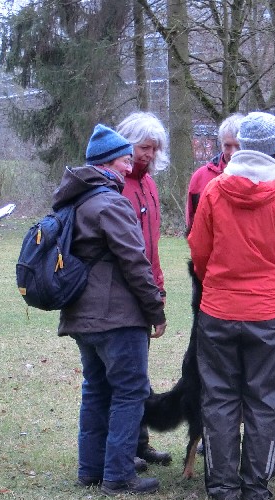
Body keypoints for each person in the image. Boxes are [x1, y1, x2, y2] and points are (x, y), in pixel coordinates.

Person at [187, 112, 275, 500]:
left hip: (218, 309)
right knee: (264, 399)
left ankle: (222, 487)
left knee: (219, 398)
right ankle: (256, 488)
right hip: (267, 312)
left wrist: (219, 278)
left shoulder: (214, 191)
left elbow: (199, 251)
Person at [57, 124, 167, 495]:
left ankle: (90, 469)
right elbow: (135, 262)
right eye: (124, 160)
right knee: (129, 391)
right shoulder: (112, 203)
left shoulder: (75, 200)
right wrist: (155, 310)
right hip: (116, 316)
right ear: (105, 163)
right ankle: (118, 475)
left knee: (96, 390)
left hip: (81, 315)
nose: (129, 166)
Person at [115, 112, 173, 469]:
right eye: (144, 148)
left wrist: (159, 290)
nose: (149, 155)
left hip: (146, 289)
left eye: (154, 149)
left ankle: (139, 442)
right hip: (124, 293)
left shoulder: (149, 184)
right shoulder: (116, 184)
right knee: (127, 376)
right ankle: (126, 447)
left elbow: (152, 247)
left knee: (138, 372)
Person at [185, 113, 245, 235]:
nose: (233, 153)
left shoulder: (261, 177)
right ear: (221, 144)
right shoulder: (200, 177)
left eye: (239, 147)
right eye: (227, 146)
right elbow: (192, 223)